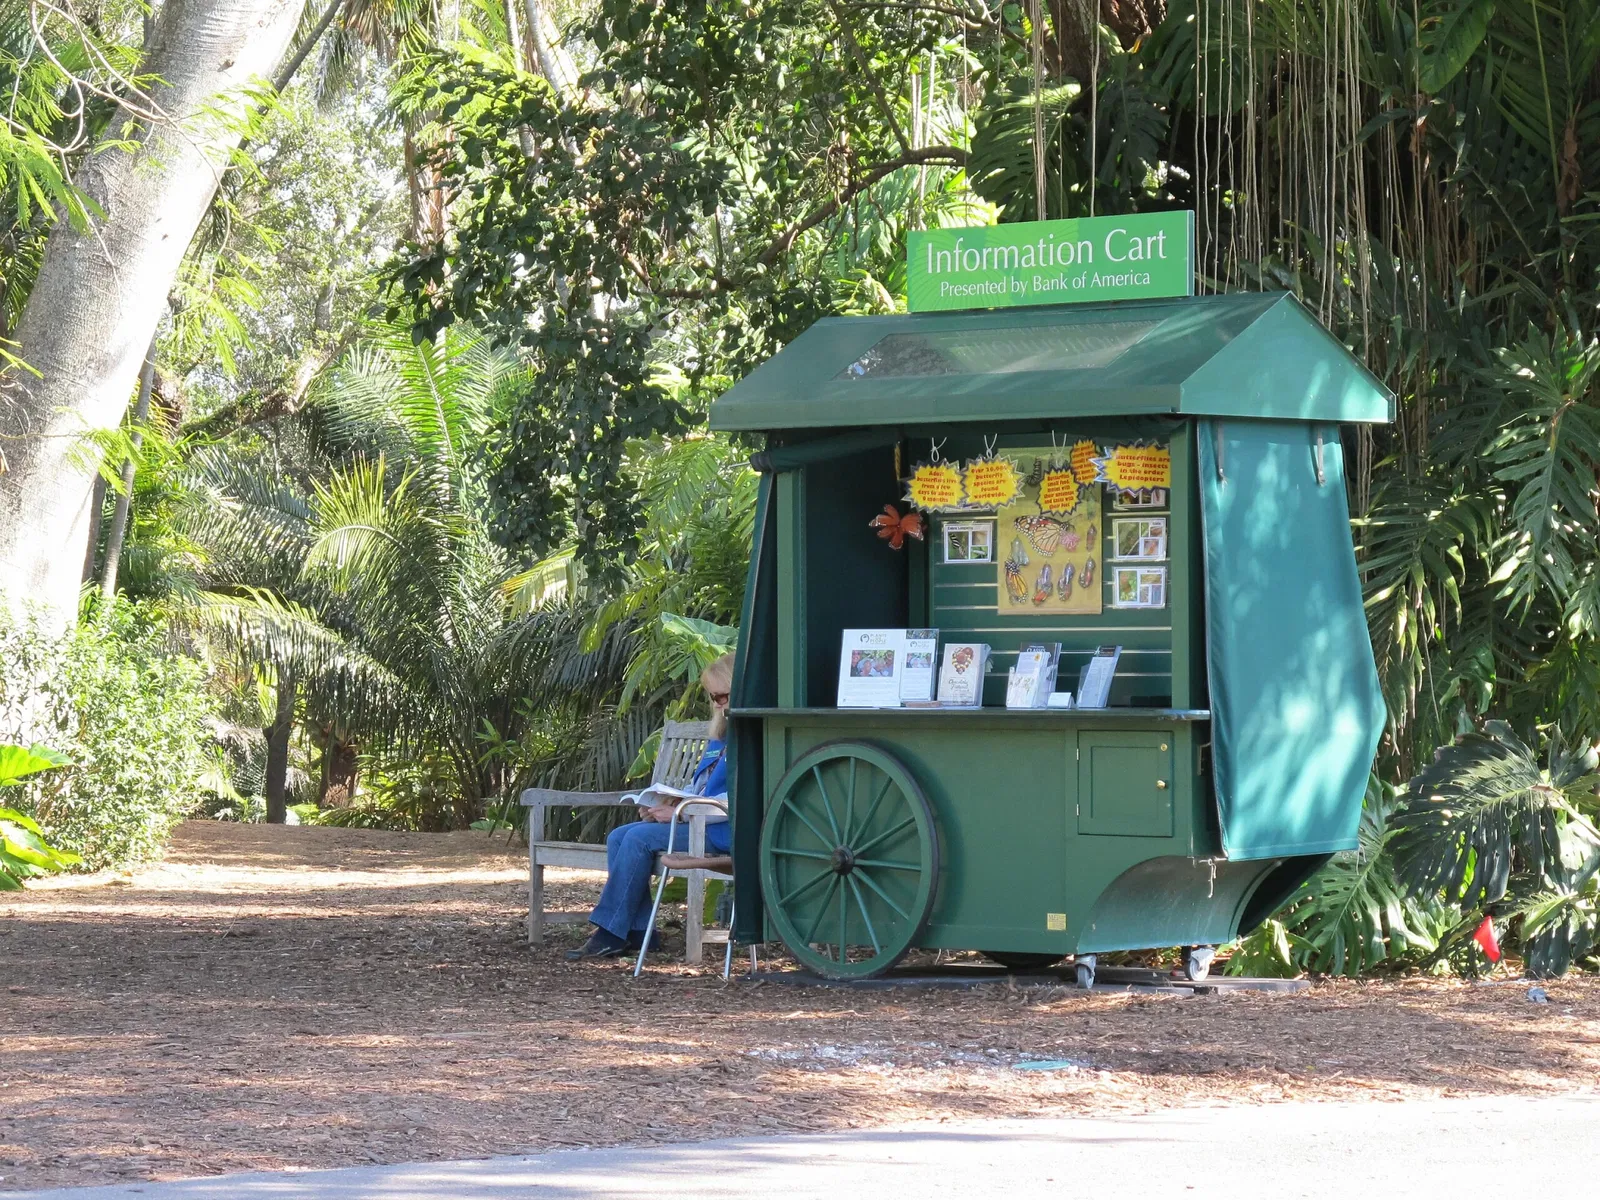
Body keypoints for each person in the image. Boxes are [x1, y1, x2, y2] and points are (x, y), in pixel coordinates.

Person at [566, 652, 734, 961]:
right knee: (620, 835)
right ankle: (641, 933)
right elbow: (702, 788)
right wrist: (669, 800)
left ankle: (610, 933)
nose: (718, 705)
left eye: (723, 696)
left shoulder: (750, 740)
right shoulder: (720, 737)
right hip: (695, 822)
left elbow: (738, 801)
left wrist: (680, 812)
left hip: (722, 832)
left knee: (638, 838)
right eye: (714, 698)